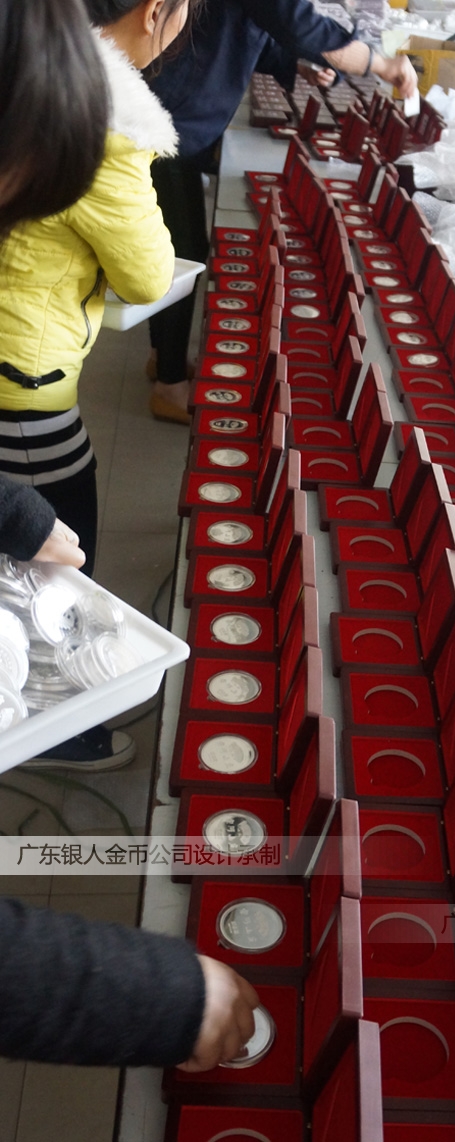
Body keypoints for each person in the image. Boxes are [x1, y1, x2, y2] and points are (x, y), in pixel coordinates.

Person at [0, 0, 199, 770]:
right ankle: (56, 721)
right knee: (56, 544)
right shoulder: (97, 123)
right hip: (24, 371)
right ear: (156, 13)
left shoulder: (37, 78)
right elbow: (146, 273)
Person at [143, 0, 418, 423]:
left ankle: (165, 357)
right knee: (185, 249)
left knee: (179, 241)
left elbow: (254, 26)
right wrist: (381, 64)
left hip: (182, 110)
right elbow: (296, 22)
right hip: (171, 120)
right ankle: (169, 385)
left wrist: (296, 65)